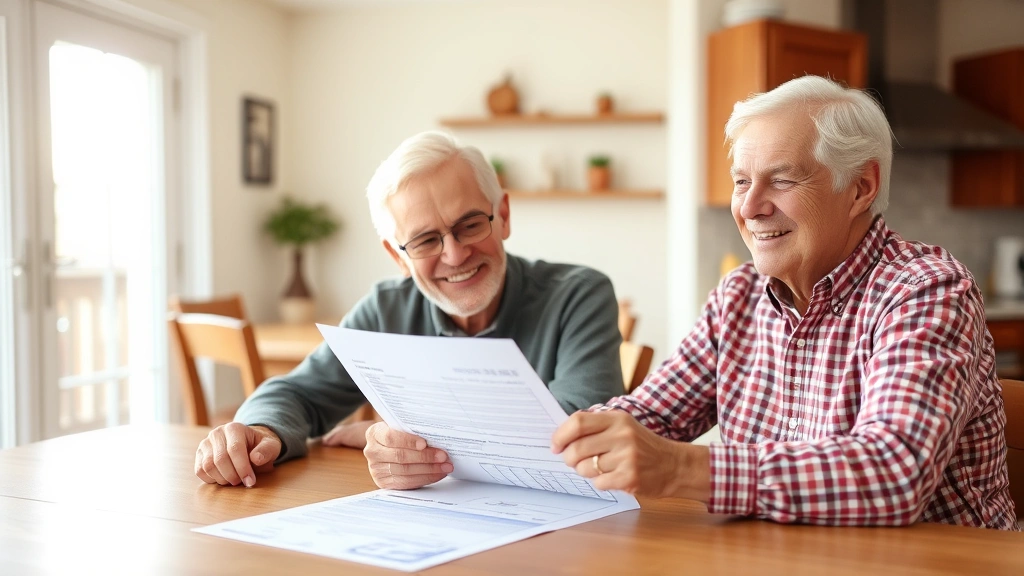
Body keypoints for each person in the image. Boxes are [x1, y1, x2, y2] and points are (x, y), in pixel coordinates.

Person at [550, 75, 1018, 530]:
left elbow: (893, 473)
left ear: (860, 187)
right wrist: (554, 437)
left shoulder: (926, 291)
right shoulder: (738, 296)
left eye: (781, 180)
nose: (750, 206)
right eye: (741, 181)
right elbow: (648, 417)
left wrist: (679, 467)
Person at [194, 131, 624, 489]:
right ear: (397, 256)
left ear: (503, 216)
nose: (455, 254)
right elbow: (297, 393)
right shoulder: (385, 309)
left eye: (470, 224)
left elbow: (580, 430)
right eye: (424, 240)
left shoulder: (579, 295)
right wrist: (259, 431)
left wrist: (392, 434)